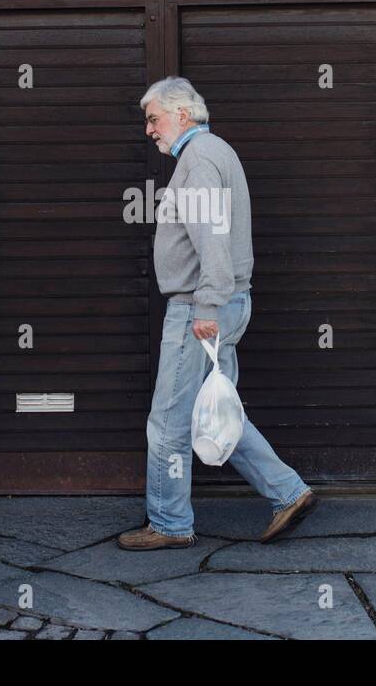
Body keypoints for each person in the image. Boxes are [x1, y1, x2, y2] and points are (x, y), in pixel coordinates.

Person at [117, 77, 318, 550]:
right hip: (220, 303)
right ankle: (288, 492)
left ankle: (167, 523)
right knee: (217, 413)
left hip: (200, 309)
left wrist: (205, 306)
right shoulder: (213, 152)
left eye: (153, 118)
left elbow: (212, 239)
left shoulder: (200, 158)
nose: (149, 129)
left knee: (168, 420)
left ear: (182, 114)